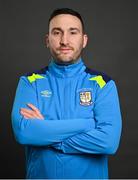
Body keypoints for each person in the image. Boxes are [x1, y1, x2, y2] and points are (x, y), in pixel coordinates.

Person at [11, 8, 122, 179]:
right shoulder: (29, 82)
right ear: (47, 40)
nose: (64, 40)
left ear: (84, 40)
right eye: (57, 33)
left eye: (73, 32)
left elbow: (109, 142)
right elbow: (25, 133)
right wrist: (87, 124)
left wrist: (46, 134)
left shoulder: (103, 84)